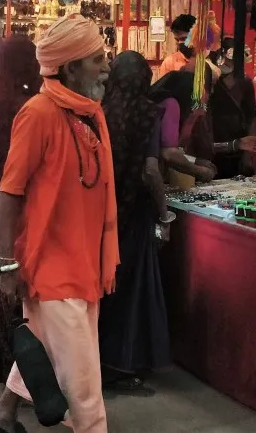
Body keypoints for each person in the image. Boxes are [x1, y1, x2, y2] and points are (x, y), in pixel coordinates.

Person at [0, 16, 116, 433]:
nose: (106, 66)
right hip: (52, 264)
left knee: (44, 344)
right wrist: (7, 263)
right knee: (83, 386)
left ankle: (3, 418)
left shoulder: (92, 113)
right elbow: (10, 190)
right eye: (97, 59)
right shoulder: (38, 113)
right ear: (70, 67)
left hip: (84, 261)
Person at [97, 52, 172, 395]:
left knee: (105, 288)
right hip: (136, 214)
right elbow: (151, 170)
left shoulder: (99, 110)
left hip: (101, 212)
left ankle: (97, 361)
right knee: (130, 290)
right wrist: (164, 212)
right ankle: (120, 365)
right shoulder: (148, 113)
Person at [0, 34, 43, 385]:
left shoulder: (1, 98)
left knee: (7, 283)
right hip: (21, 198)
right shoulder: (28, 104)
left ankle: (7, 367)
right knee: (19, 286)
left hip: (2, 193)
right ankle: (22, 373)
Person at [207, 38, 256, 177]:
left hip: (240, 145)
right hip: (213, 144)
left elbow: (253, 116)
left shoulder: (245, 82)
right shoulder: (211, 80)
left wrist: (247, 153)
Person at [150, 71, 218, 181]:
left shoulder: (162, 102)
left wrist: (195, 161)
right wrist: (199, 171)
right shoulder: (171, 104)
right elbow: (168, 153)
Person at [153, 14, 197, 83]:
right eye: (177, 40)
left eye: (184, 38)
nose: (180, 43)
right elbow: (164, 91)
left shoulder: (210, 59)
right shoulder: (169, 63)